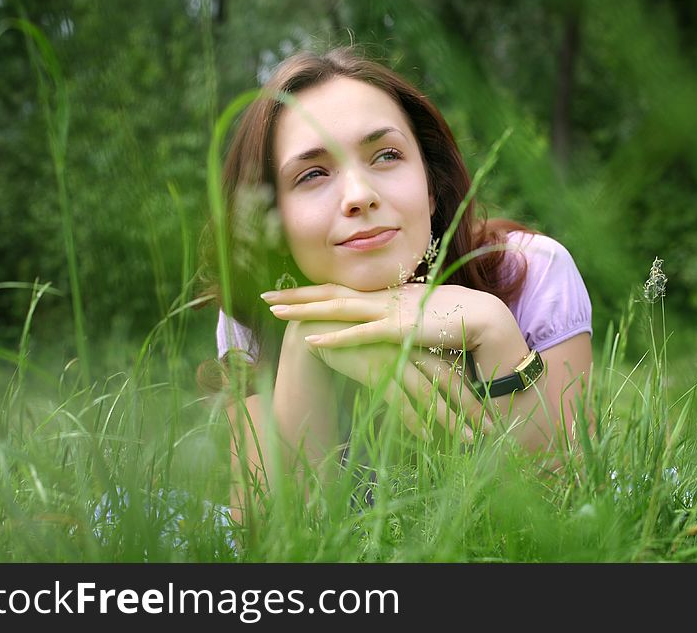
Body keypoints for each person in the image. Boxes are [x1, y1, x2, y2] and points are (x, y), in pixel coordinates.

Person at [201, 47, 593, 523]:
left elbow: (565, 517)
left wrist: (494, 330)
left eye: (386, 155)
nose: (360, 197)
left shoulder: (530, 272)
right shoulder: (256, 313)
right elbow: (268, 545)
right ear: (275, 222)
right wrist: (308, 340)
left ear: (431, 187)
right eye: (313, 174)